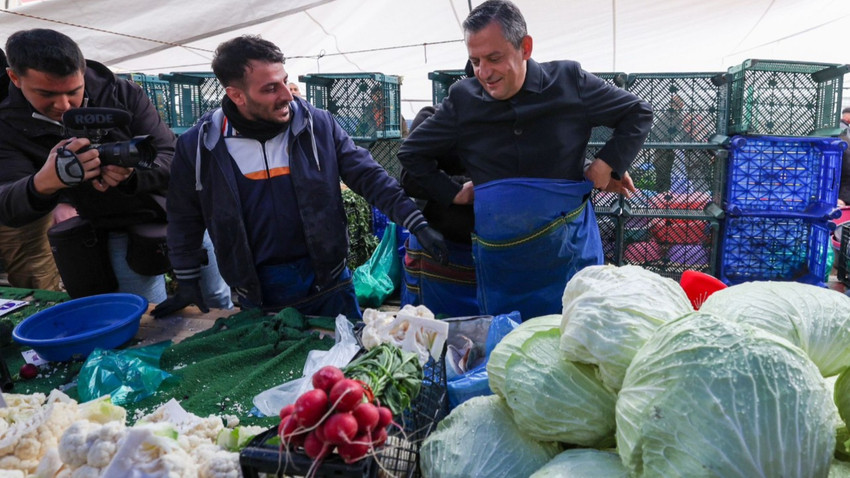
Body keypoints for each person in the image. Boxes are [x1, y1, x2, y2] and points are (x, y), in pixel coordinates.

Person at [152, 35, 448, 319]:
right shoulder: (200, 146)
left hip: (330, 285)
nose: (286, 96)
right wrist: (187, 278)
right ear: (236, 95)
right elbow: (183, 217)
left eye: (284, 81)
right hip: (258, 295)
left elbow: (368, 175)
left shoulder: (317, 126)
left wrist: (416, 222)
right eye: (270, 89)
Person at [398, 0, 652, 319]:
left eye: (494, 58)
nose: (484, 73)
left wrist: (606, 162)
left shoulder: (568, 81)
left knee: (572, 333)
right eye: (475, 61)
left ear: (525, 48)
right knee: (506, 343)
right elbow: (411, 155)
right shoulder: (464, 99)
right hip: (500, 263)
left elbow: (637, 112)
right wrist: (454, 192)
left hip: (566, 252)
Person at [0, 29, 232, 308]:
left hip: (176, 212)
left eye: (74, 91)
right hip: (110, 228)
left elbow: (173, 156)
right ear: (15, 77)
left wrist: (133, 174)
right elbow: (8, 205)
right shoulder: (7, 125)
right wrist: (44, 184)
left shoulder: (120, 92)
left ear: (83, 70)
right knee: (145, 310)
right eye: (46, 94)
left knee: (217, 297)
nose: (63, 105)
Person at [399, 105, 478, 317]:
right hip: (441, 252)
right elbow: (409, 177)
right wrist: (456, 190)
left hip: (490, 255)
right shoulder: (432, 117)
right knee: (427, 334)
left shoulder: (506, 125)